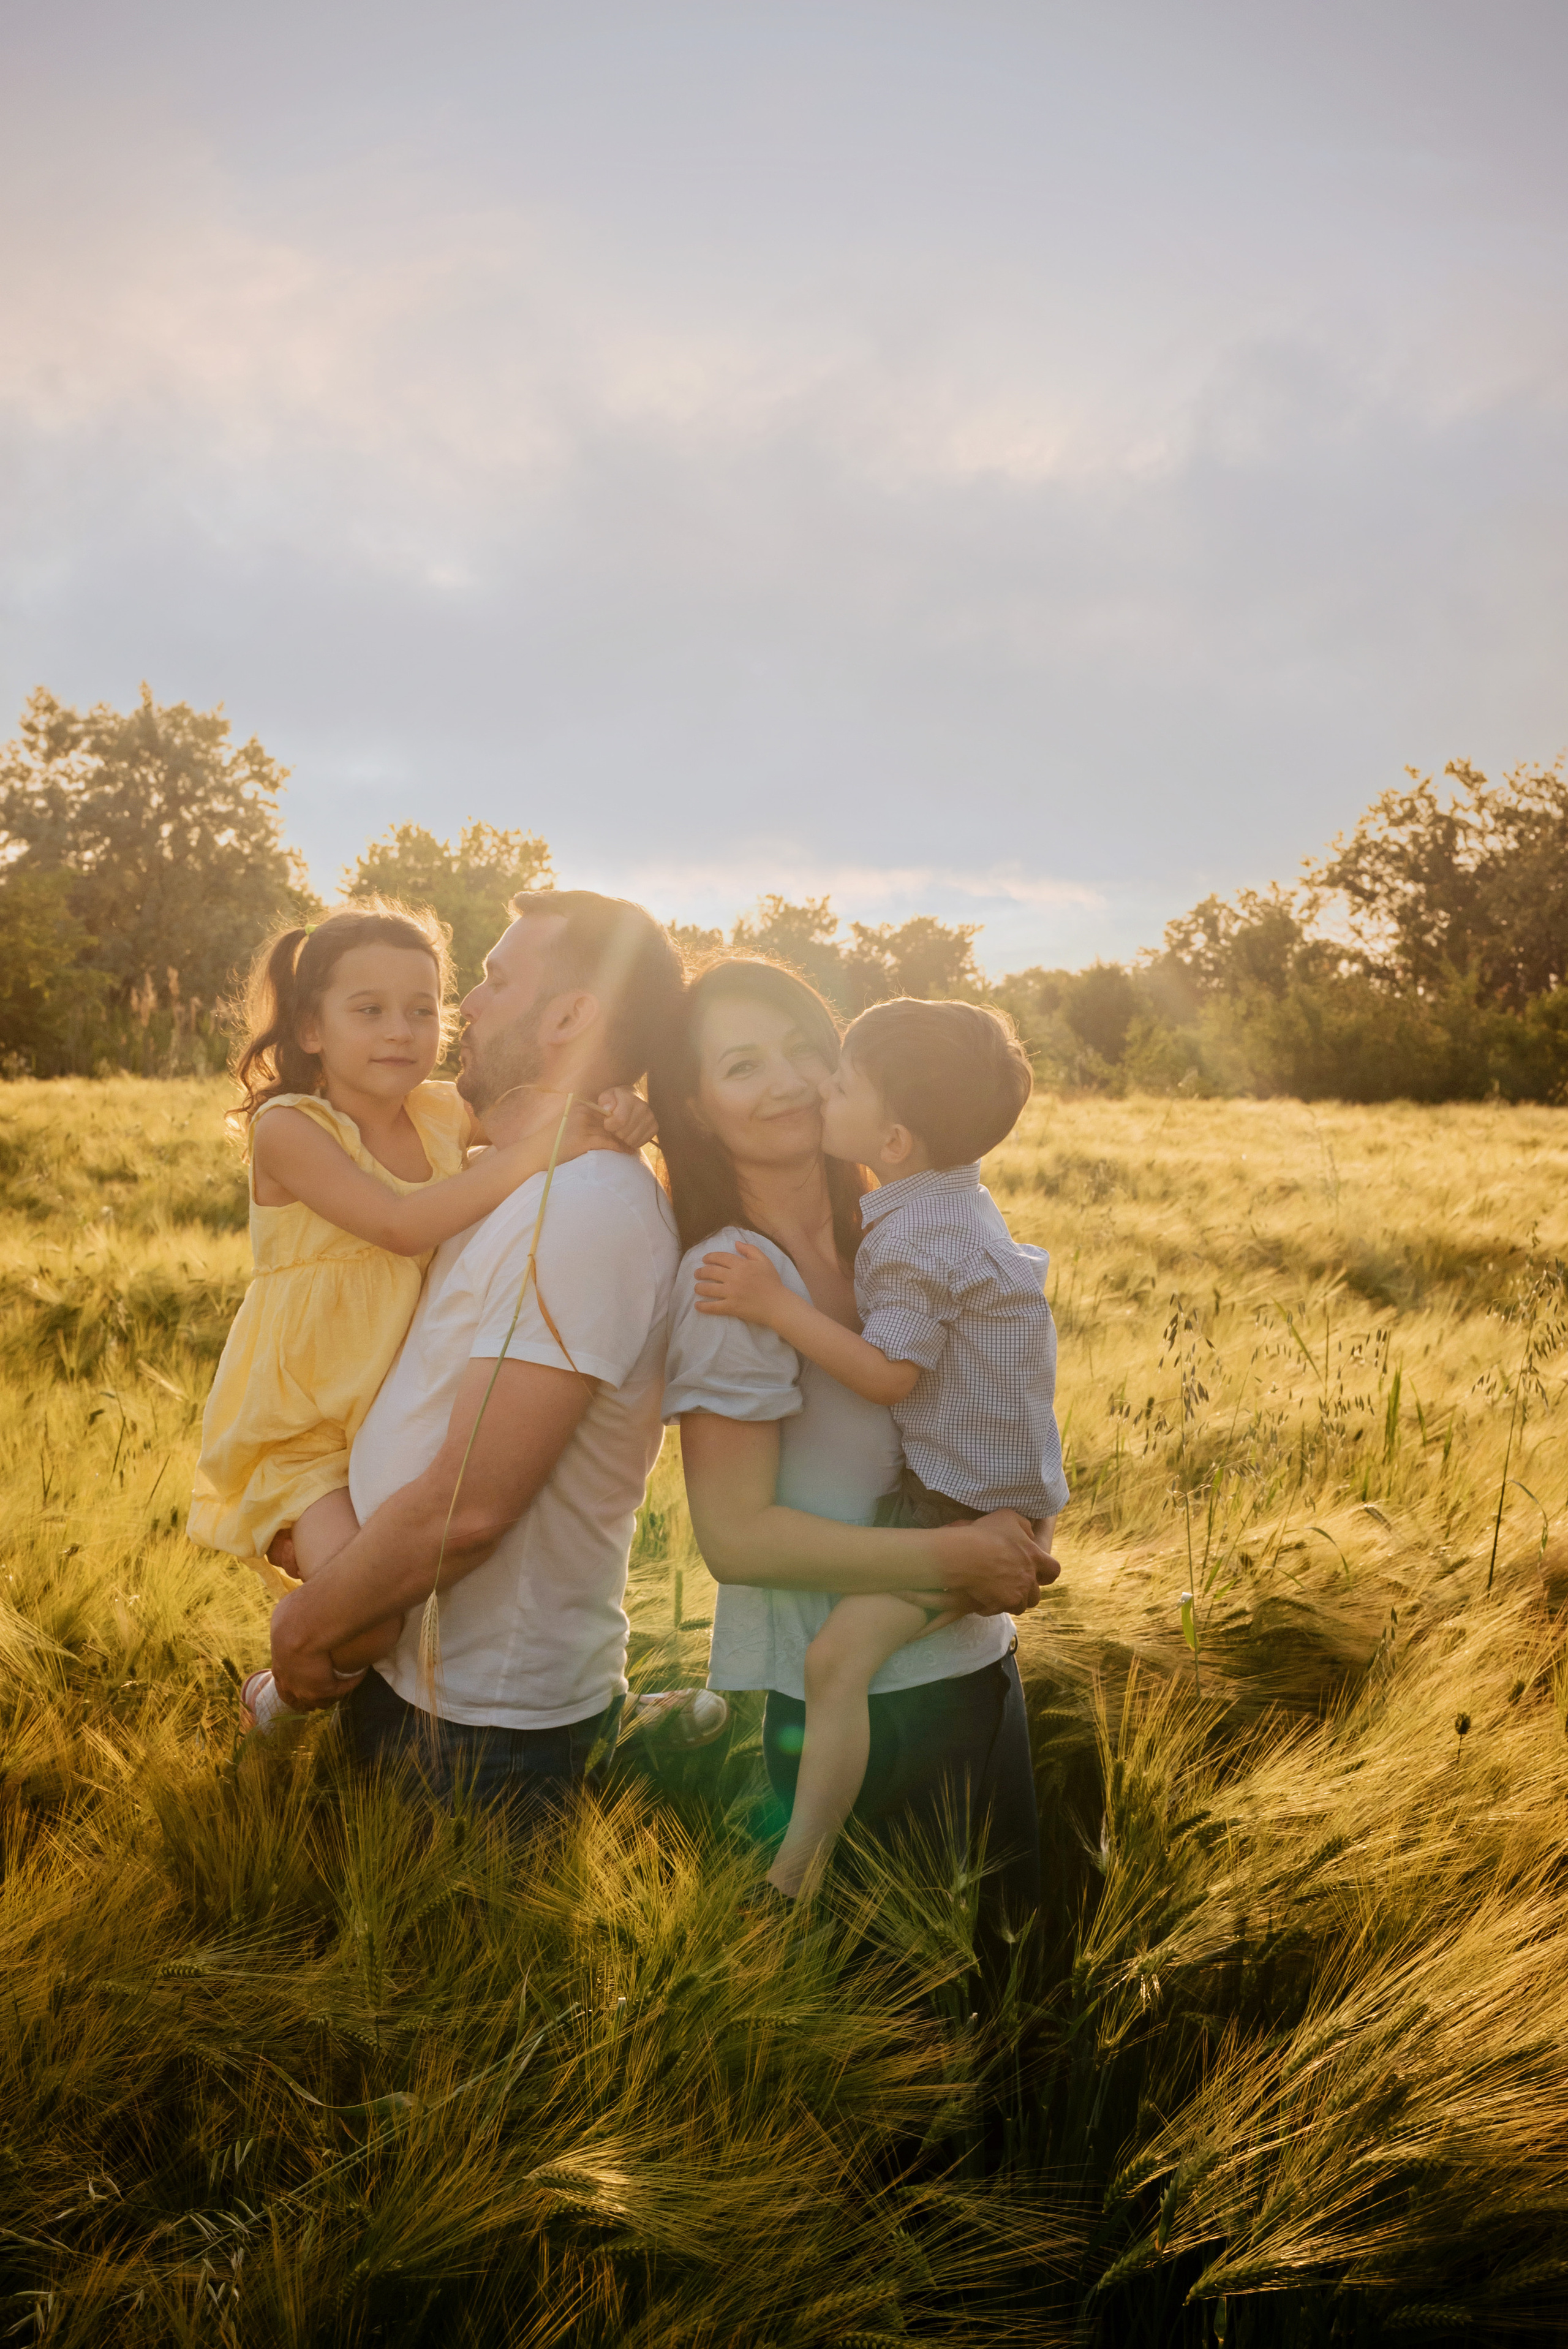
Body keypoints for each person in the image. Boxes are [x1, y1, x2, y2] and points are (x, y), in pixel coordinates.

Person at [266, 891, 696, 1831]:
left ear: (571, 1015)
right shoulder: (516, 1177)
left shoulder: (588, 1209)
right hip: (407, 1673)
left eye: (496, 981)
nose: (464, 1007)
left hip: (480, 1731)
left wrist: (304, 1626)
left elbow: (472, 1508)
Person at [189, 901, 655, 1734]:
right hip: (302, 1431)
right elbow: (403, 1223)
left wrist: (616, 1108)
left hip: (361, 1411)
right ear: (310, 1028)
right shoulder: (290, 1130)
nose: (404, 1029)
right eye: (367, 1010)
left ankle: (611, 1716)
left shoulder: (441, 1113)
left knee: (369, 1612)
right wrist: (535, 1153)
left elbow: (546, 1108)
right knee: (364, 1621)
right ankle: (275, 1701)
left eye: (424, 1007)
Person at [649, 958, 1054, 1913]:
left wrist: (1023, 1528)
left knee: (1013, 2011)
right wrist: (962, 1551)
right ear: (697, 1108)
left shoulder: (898, 1229)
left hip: (980, 1663)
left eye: (804, 1050)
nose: (790, 1081)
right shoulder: (732, 1279)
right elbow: (736, 1540)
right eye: (742, 1065)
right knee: (888, 2030)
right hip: (857, 1714)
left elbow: (996, 1392)